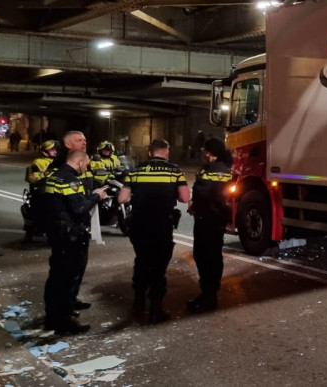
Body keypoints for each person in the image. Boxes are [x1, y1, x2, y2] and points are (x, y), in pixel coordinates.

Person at [118, 139, 190, 323]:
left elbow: (122, 198)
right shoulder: (174, 170)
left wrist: (139, 194)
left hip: (140, 225)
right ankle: (156, 309)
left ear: (149, 153)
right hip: (161, 225)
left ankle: (138, 303)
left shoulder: (135, 170)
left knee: (142, 263)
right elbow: (184, 198)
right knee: (158, 269)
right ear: (166, 152)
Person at [42, 151, 108, 334]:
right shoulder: (70, 180)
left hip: (57, 232)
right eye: (85, 164)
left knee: (55, 277)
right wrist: (96, 196)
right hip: (70, 235)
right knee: (66, 279)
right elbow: (79, 209)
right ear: (79, 162)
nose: (86, 168)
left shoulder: (54, 176)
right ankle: (64, 323)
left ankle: (52, 318)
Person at [187, 138, 232, 313]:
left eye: (204, 150)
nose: (202, 153)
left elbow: (205, 194)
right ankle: (210, 293)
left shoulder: (211, 169)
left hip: (207, 218)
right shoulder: (224, 168)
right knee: (214, 255)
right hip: (218, 218)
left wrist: (193, 207)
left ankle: (208, 294)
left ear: (208, 152)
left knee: (203, 255)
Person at [23, 140, 59, 241]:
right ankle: (28, 234)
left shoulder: (60, 162)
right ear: (45, 151)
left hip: (57, 190)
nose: (55, 151)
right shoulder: (38, 163)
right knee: (31, 210)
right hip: (41, 191)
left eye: (55, 149)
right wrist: (45, 174)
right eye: (52, 149)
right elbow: (31, 177)